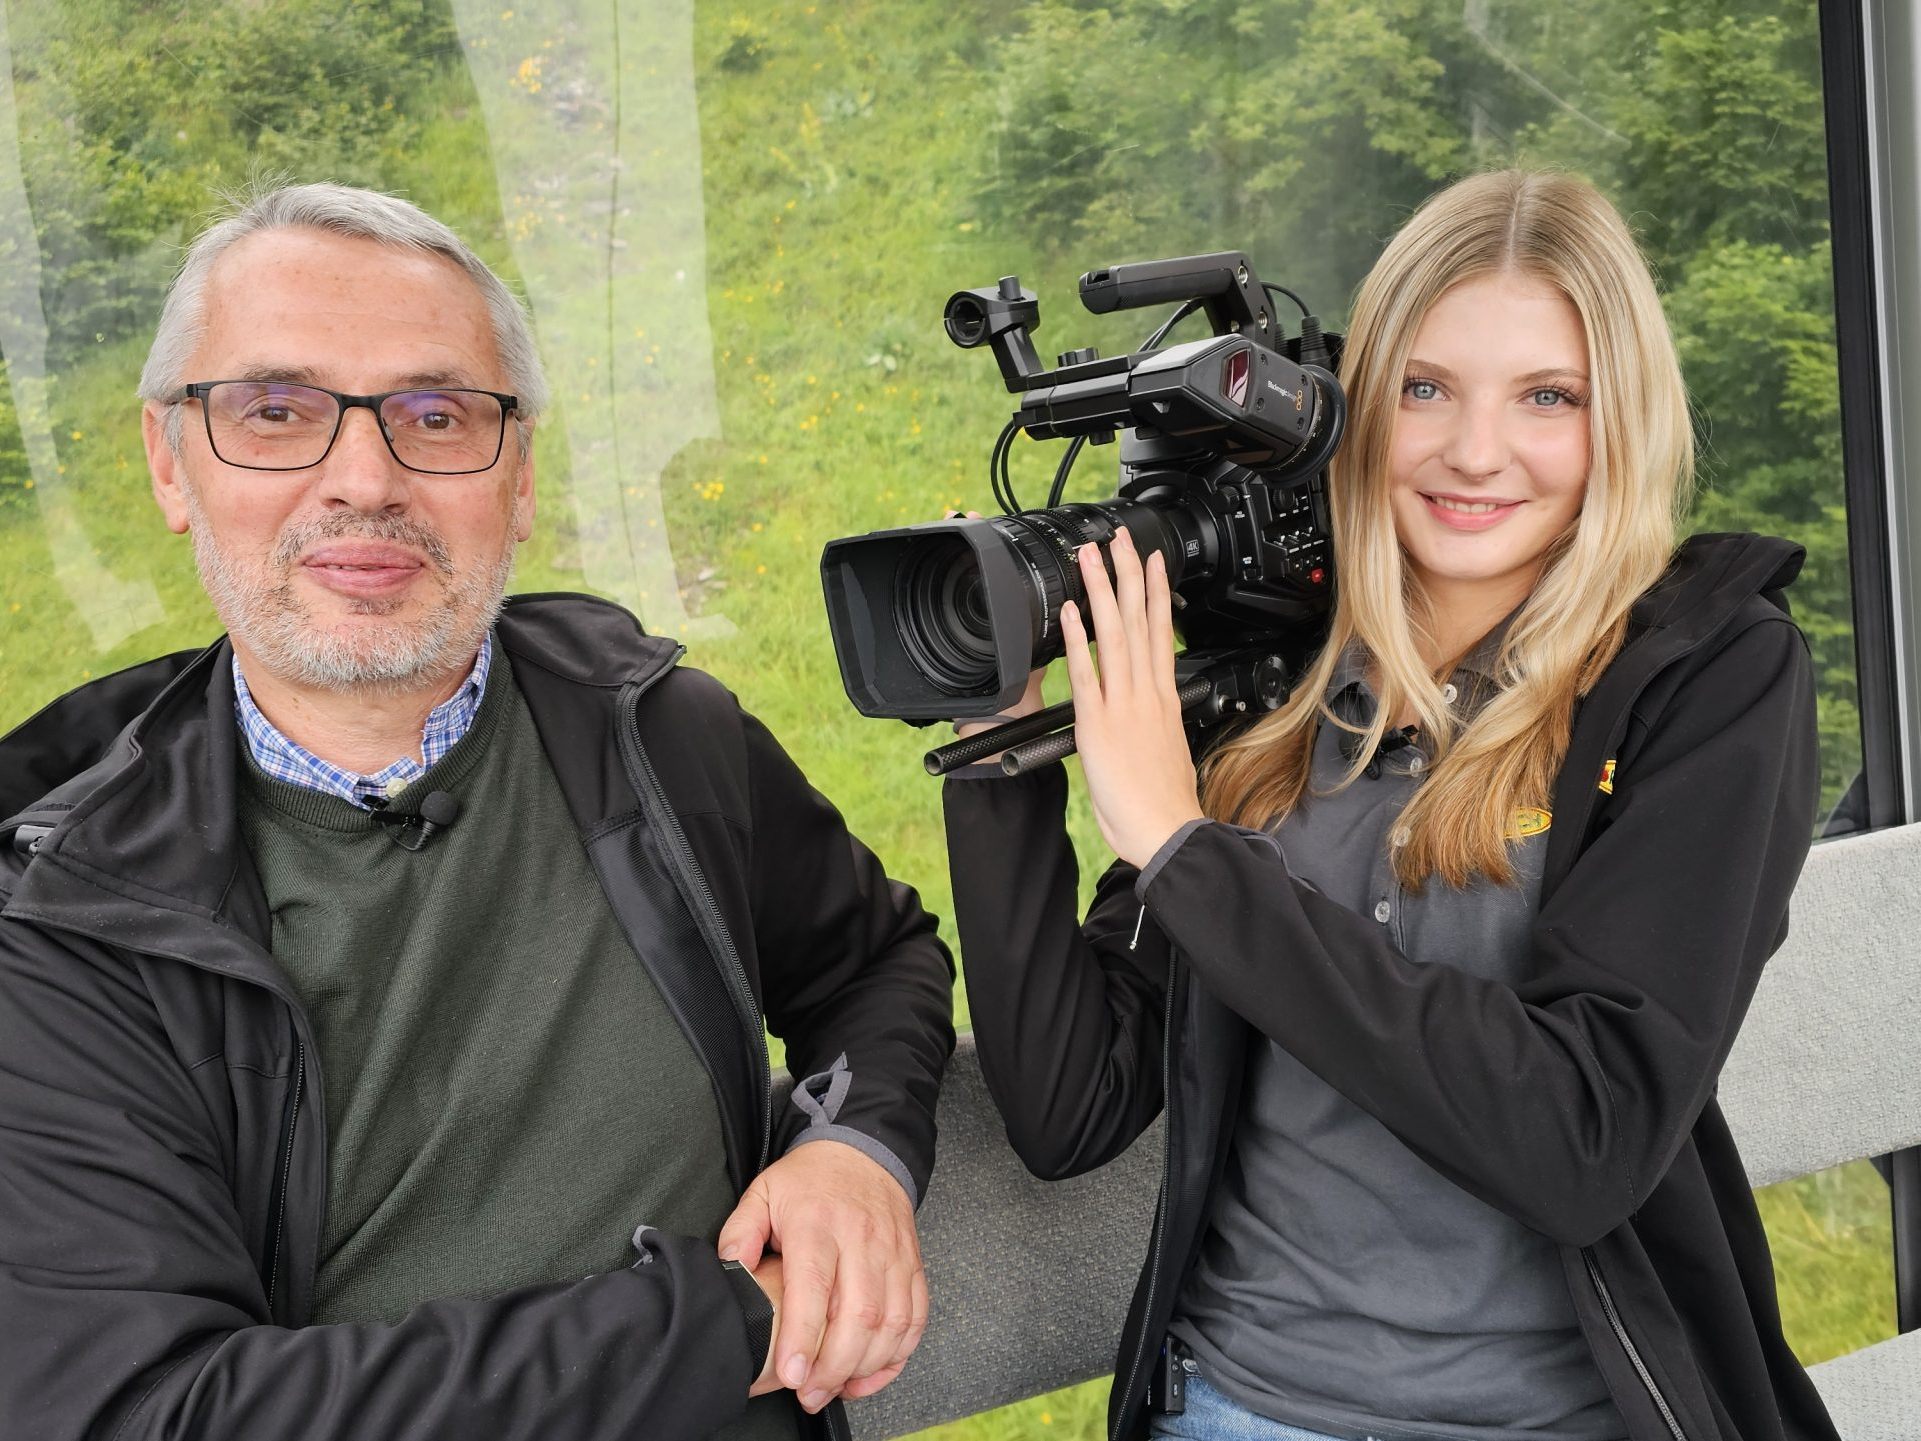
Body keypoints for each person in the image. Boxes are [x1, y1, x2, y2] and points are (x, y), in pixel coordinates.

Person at [0, 182, 954, 1441]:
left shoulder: (662, 739)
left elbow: (873, 962)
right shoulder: (66, 919)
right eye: (277, 412)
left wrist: (851, 1147)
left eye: (436, 415)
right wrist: (725, 1324)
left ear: (519, 476)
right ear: (171, 462)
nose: (365, 479)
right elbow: (148, 1411)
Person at [943, 170, 1837, 1441]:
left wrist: (1191, 854)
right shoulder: (1276, 677)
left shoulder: (1704, 675)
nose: (1474, 450)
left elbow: (1581, 1141)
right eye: (1424, 388)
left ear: (1623, 419)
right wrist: (999, 756)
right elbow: (1070, 1103)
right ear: (1361, 410)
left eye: (1546, 396)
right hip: (1234, 1407)